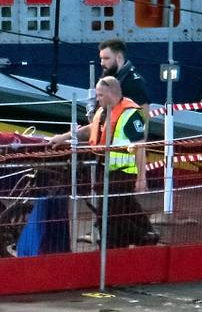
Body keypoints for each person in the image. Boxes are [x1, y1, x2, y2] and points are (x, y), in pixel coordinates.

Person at [51, 77, 158, 248]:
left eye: (100, 95)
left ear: (111, 93)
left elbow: (140, 146)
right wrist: (64, 137)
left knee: (107, 214)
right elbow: (89, 130)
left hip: (123, 172)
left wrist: (141, 178)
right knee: (124, 208)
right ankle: (142, 235)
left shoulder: (130, 114)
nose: (97, 99)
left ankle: (136, 239)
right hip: (106, 169)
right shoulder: (104, 111)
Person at [98, 39, 150, 121]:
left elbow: (144, 119)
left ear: (118, 57)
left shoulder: (134, 83)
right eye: (101, 59)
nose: (102, 63)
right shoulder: (109, 78)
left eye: (106, 58)